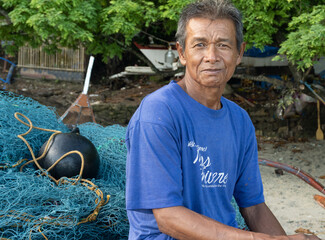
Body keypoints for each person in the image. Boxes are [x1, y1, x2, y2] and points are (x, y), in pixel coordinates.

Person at [125, 0, 321, 239]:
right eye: (199, 45)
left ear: (239, 53)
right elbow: (168, 218)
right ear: (182, 53)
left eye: (223, 45)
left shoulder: (239, 120)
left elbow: (254, 207)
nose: (211, 56)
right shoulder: (158, 113)